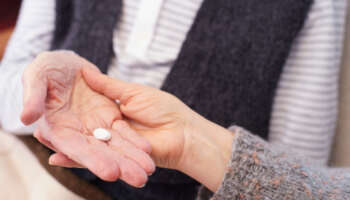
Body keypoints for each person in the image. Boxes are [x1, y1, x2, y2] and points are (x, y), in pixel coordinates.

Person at [0, 0, 347, 199]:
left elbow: (296, 169)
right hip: (39, 168)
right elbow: (7, 89)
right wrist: (40, 103)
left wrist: (197, 146)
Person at [45, 67, 350, 199]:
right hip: (53, 177)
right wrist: (45, 94)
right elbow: (10, 85)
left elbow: (303, 154)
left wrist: (193, 141)